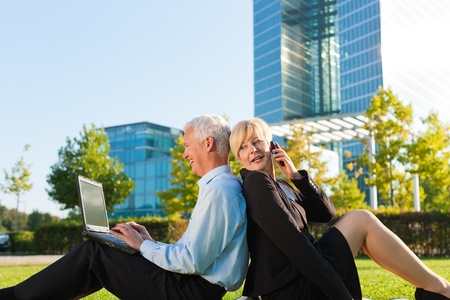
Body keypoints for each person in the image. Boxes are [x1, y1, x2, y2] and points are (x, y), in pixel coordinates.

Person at [0, 114, 248, 300]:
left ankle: (11, 297)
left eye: (186, 145)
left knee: (96, 253)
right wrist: (149, 242)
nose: (184, 154)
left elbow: (191, 261)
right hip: (189, 285)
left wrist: (143, 246)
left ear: (207, 144)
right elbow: (191, 253)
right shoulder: (218, 187)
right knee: (103, 256)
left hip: (190, 292)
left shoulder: (220, 191)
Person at [229, 117, 450, 300]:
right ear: (238, 156)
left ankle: (437, 289)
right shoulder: (256, 183)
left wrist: (296, 176)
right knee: (361, 220)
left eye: (257, 142)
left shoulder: (282, 185)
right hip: (291, 287)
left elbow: (326, 213)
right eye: (243, 147)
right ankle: (440, 289)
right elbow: (296, 245)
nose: (252, 151)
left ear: (272, 145)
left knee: (360, 219)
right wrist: (341, 296)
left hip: (306, 272)